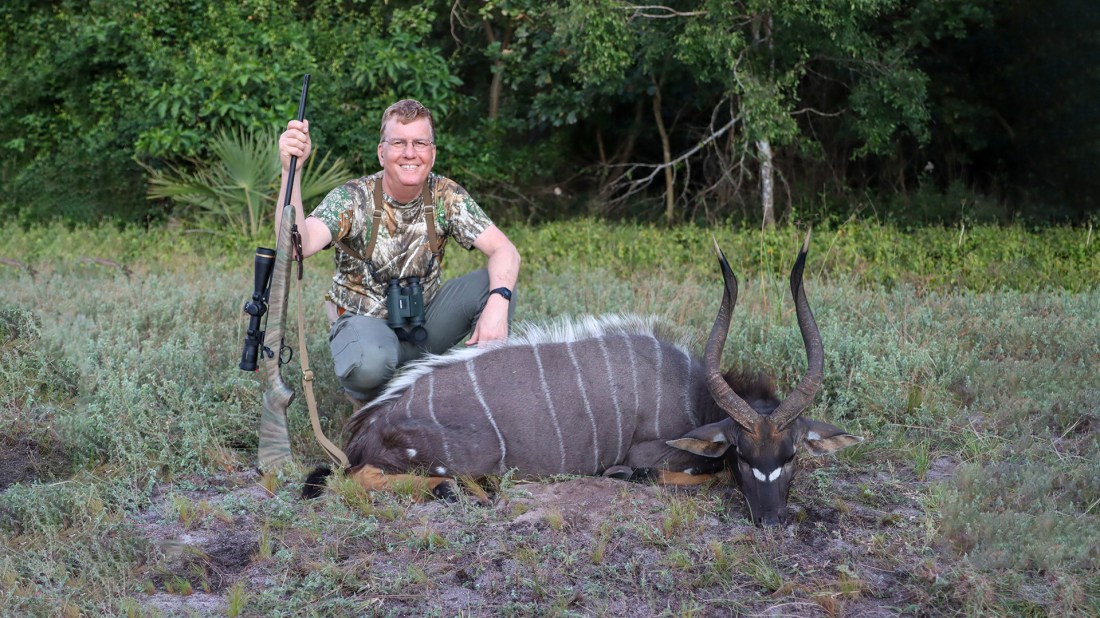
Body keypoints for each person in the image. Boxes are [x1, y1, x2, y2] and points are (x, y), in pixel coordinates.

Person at [275, 99, 521, 404]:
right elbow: (298, 245)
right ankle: (368, 397)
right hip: (366, 322)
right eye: (399, 142)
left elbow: (505, 250)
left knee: (495, 286)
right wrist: (291, 171)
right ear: (381, 152)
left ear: (432, 153)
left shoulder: (446, 195)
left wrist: (498, 304)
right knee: (372, 364)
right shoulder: (352, 197)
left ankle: (476, 396)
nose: (410, 153)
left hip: (423, 323)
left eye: (420, 143)